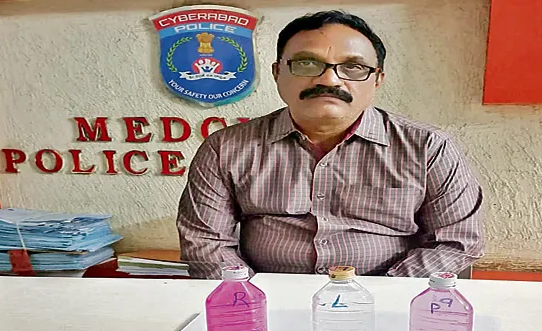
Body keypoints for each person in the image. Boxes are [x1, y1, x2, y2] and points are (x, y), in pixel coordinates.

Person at [177, 10, 485, 279]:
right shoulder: (225, 148)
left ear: (377, 79)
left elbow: (457, 241)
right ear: (277, 72)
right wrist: (248, 299)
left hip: (390, 300)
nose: (329, 80)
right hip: (263, 302)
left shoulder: (427, 147)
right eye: (307, 63)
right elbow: (206, 243)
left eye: (353, 67)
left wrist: (382, 293)